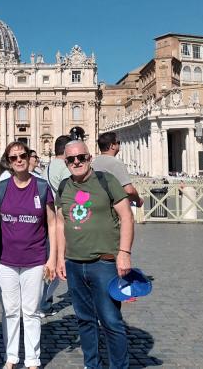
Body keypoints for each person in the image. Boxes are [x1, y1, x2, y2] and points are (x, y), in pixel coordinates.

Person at [54, 139, 134, 369]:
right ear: (66, 162)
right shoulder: (64, 186)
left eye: (81, 157)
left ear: (89, 158)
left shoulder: (106, 181)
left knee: (111, 320)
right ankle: (92, 365)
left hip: (104, 263)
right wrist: (59, 257)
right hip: (74, 263)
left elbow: (127, 216)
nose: (76, 162)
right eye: (71, 159)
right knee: (84, 320)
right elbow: (60, 223)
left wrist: (124, 252)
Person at [0, 142, 56, 369]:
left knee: (31, 311)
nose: (19, 160)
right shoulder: (2, 188)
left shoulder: (42, 187)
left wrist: (52, 257)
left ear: (29, 157)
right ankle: (11, 357)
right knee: (10, 310)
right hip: (5, 259)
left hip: (35, 258)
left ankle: (32, 359)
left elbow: (52, 223)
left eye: (22, 156)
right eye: (13, 157)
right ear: (8, 162)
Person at [39, 135, 72, 314]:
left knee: (49, 260)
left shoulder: (48, 167)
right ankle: (43, 302)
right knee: (59, 262)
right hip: (60, 220)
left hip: (46, 219)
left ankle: (43, 301)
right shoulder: (66, 170)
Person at [92, 132, 142, 207]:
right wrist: (138, 200)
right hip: (112, 206)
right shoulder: (116, 163)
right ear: (112, 146)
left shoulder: (94, 162)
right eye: (118, 142)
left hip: (97, 204)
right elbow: (129, 190)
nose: (119, 145)